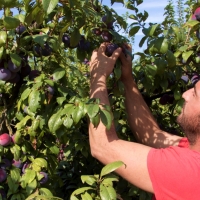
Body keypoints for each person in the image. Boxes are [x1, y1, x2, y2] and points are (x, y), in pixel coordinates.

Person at [88, 42, 200, 200]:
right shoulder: (192, 148)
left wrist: (98, 76)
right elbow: (151, 134)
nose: (184, 95)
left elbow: (102, 146)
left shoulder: (190, 172)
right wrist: (127, 79)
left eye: (195, 94)